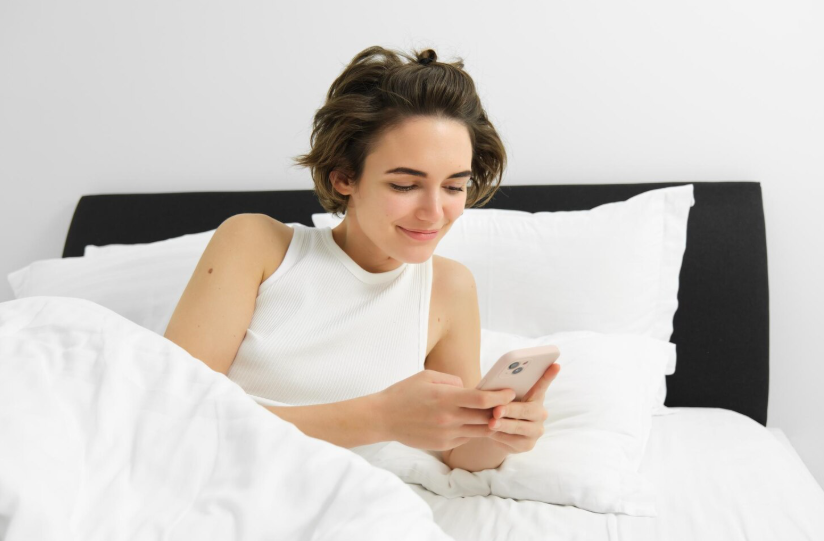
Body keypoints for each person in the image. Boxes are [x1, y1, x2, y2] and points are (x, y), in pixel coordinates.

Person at [163, 45, 561, 473]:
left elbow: (458, 453)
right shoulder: (257, 245)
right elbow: (173, 417)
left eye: (453, 187)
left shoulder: (450, 287)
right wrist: (381, 417)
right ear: (345, 177)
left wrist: (504, 433)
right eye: (405, 185)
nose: (434, 212)